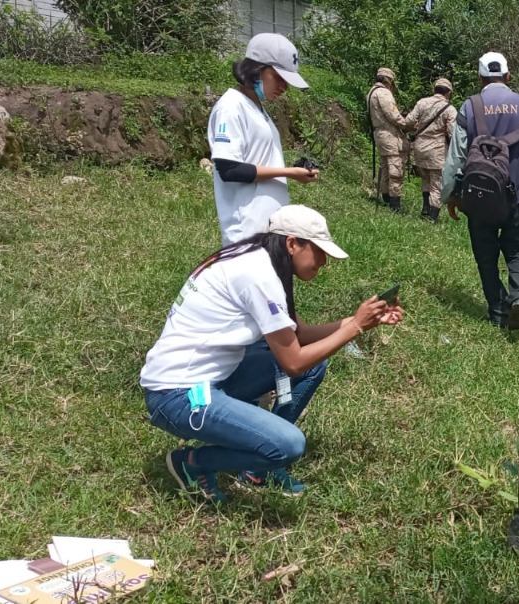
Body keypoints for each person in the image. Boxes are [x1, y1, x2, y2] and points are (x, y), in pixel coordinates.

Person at [140, 205, 404, 503]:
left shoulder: (257, 261)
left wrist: (360, 322)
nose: (324, 263)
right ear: (292, 243)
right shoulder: (258, 276)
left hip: (211, 379)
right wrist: (354, 326)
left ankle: (255, 467)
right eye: (319, 252)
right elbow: (292, 362)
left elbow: (299, 336)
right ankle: (192, 463)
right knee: (288, 444)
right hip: (177, 395)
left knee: (314, 365)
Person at [441, 52, 519, 330]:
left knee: (485, 255)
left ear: (480, 78)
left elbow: (455, 157)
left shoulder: (470, 107)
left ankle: (498, 312)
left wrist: (450, 195)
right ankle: (518, 297)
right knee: (518, 252)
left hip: (480, 196)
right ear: (508, 76)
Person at [208, 33, 319, 246]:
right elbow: (229, 169)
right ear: (256, 70)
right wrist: (289, 173)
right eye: (278, 78)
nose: (284, 87)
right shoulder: (231, 107)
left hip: (267, 228)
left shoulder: (258, 110)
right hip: (246, 231)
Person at [403, 77, 458, 222]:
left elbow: (408, 121)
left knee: (425, 179)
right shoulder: (450, 109)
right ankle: (433, 216)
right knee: (437, 183)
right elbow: (453, 133)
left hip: (420, 148)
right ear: (448, 93)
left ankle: (425, 209)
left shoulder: (422, 103)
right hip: (437, 151)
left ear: (434, 90)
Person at [368, 67, 409, 213]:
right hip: (389, 134)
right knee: (395, 168)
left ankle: (385, 197)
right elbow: (392, 115)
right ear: (388, 80)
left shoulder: (371, 92)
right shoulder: (384, 93)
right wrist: (407, 123)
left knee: (385, 166)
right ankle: (395, 204)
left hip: (379, 133)